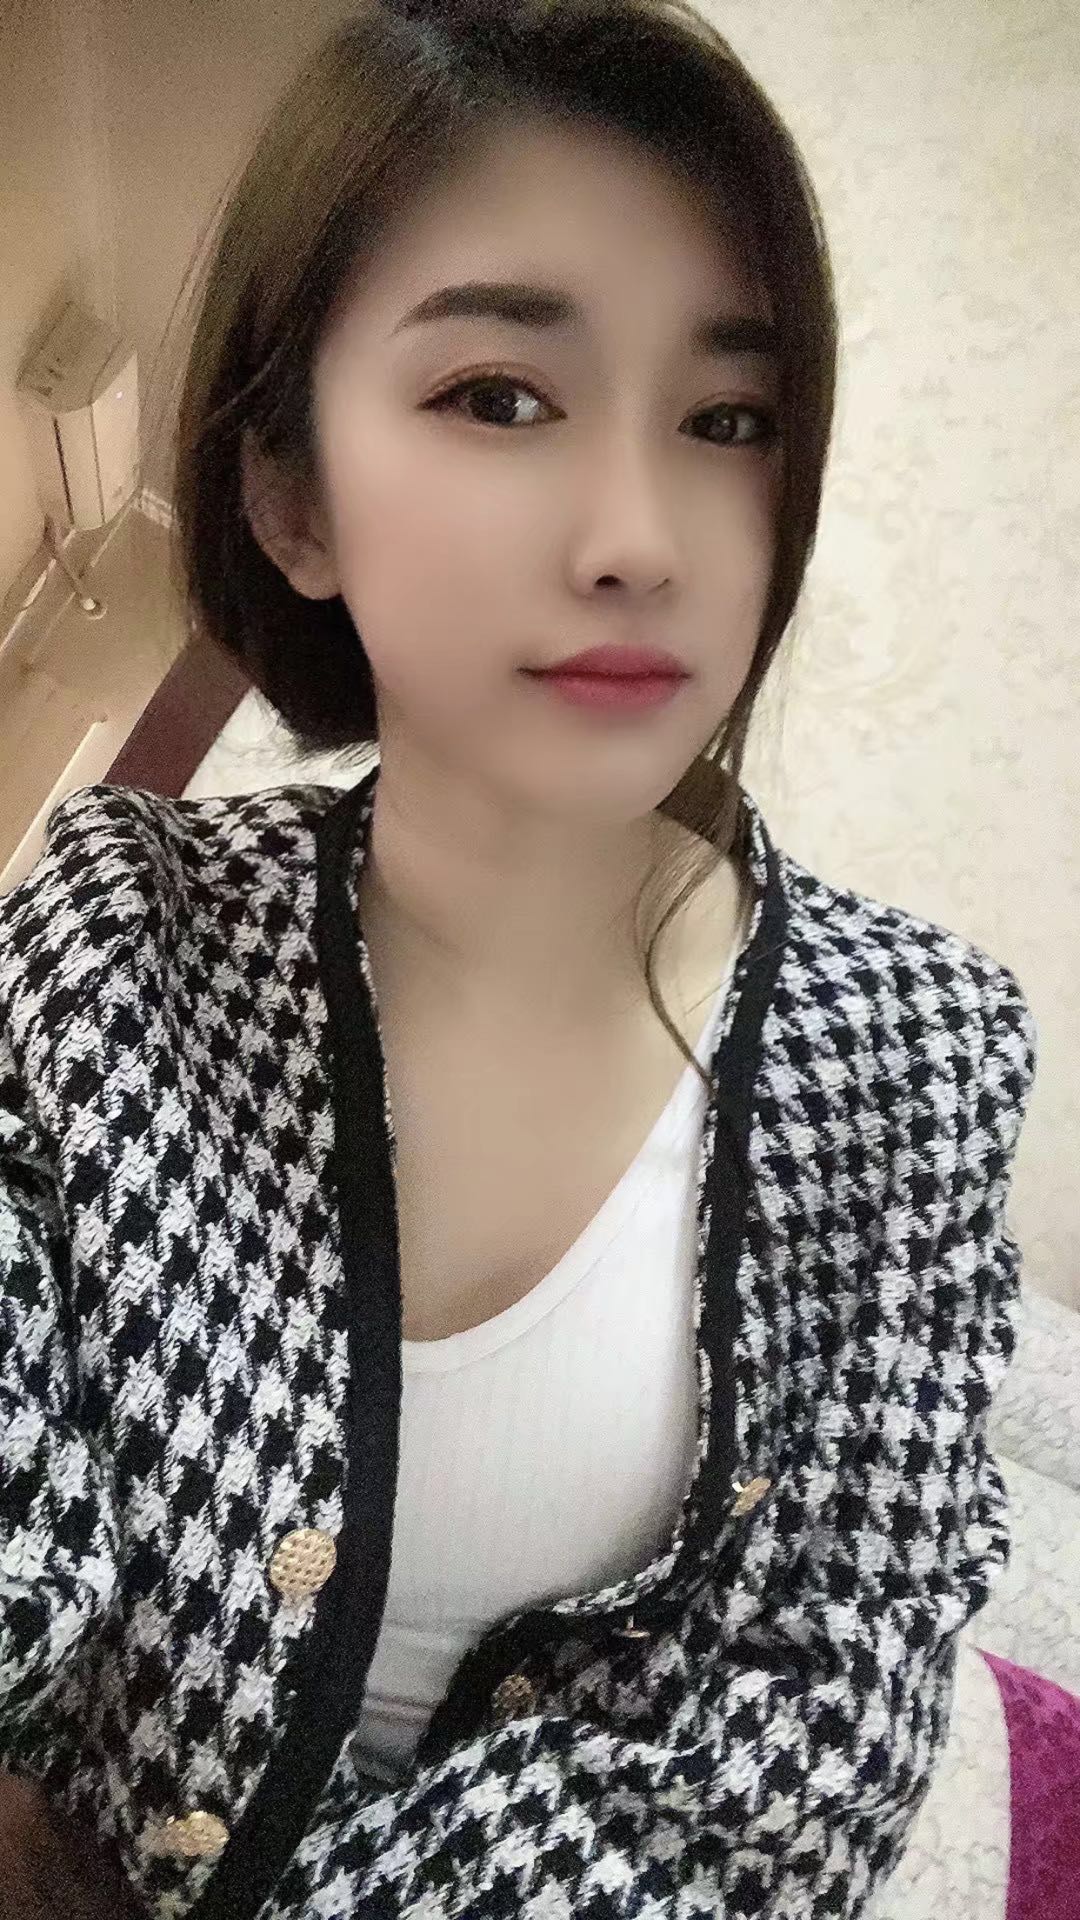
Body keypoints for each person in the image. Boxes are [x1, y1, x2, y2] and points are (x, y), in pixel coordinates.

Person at [0, 2, 1038, 1917]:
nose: (643, 538)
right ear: (291, 496)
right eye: (499, 395)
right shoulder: (111, 941)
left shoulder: (921, 1054)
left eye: (729, 421)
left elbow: (800, 1769)